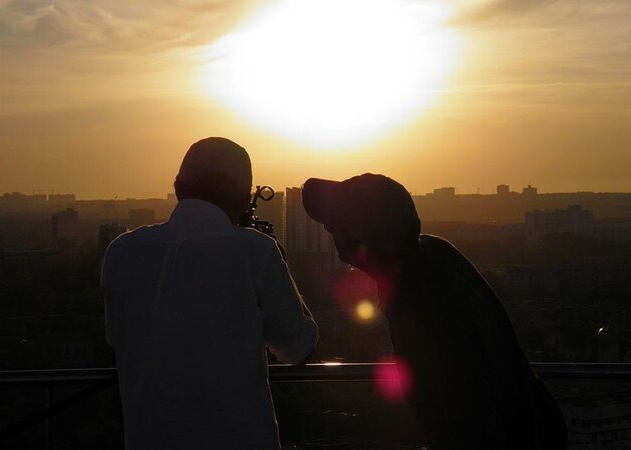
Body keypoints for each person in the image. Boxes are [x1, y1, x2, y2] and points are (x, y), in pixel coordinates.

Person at [302, 173, 566, 450]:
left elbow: (465, 422)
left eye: (335, 226)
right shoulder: (435, 254)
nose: (329, 231)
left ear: (361, 246)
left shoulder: (420, 312)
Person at [102, 137, 318, 450]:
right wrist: (282, 266)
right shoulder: (255, 252)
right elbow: (298, 349)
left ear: (178, 188)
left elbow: (117, 339)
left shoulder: (121, 251)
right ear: (244, 198)